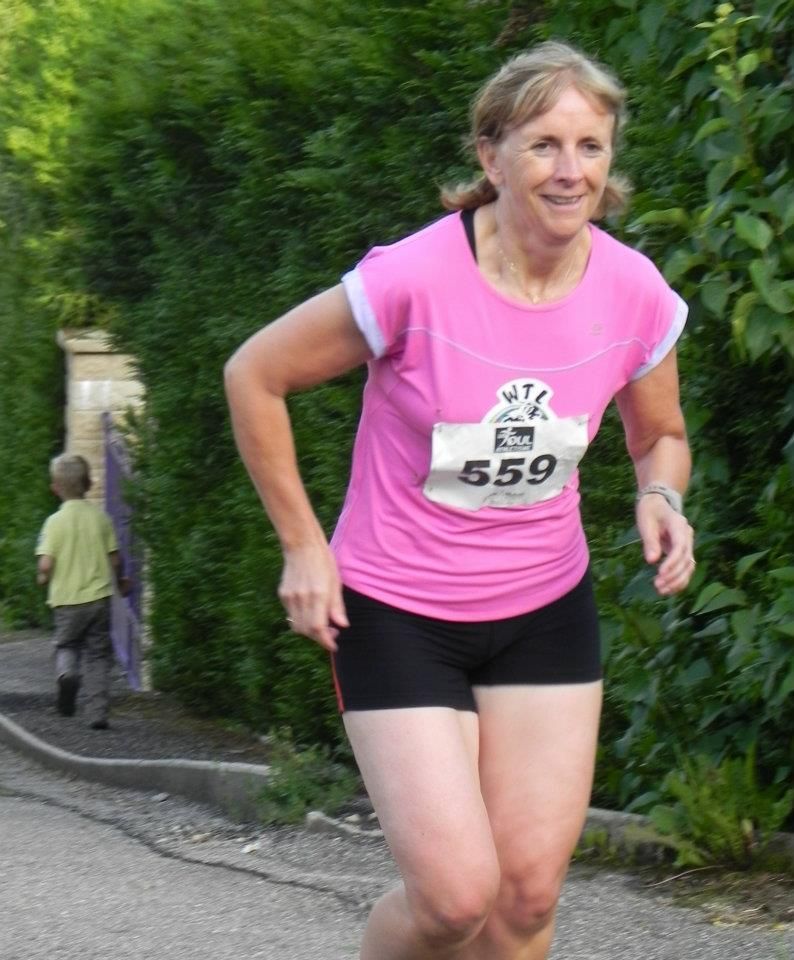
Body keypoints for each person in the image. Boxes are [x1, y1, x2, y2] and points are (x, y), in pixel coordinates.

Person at [225, 40, 694, 960]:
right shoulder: (413, 278)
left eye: (591, 147)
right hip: (398, 610)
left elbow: (660, 435)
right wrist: (304, 545)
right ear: (491, 155)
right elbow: (255, 375)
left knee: (524, 901)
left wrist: (661, 495)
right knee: (453, 901)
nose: (571, 171)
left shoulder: (633, 291)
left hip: (544, 607)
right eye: (544, 144)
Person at [35, 453, 130, 730]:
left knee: (67, 645)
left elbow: (46, 563)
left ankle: (67, 674)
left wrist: (43, 576)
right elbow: (115, 559)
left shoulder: (54, 522)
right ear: (88, 484)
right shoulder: (101, 519)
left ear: (55, 488)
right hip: (99, 599)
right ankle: (97, 713)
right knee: (98, 655)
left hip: (66, 601)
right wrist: (120, 582)